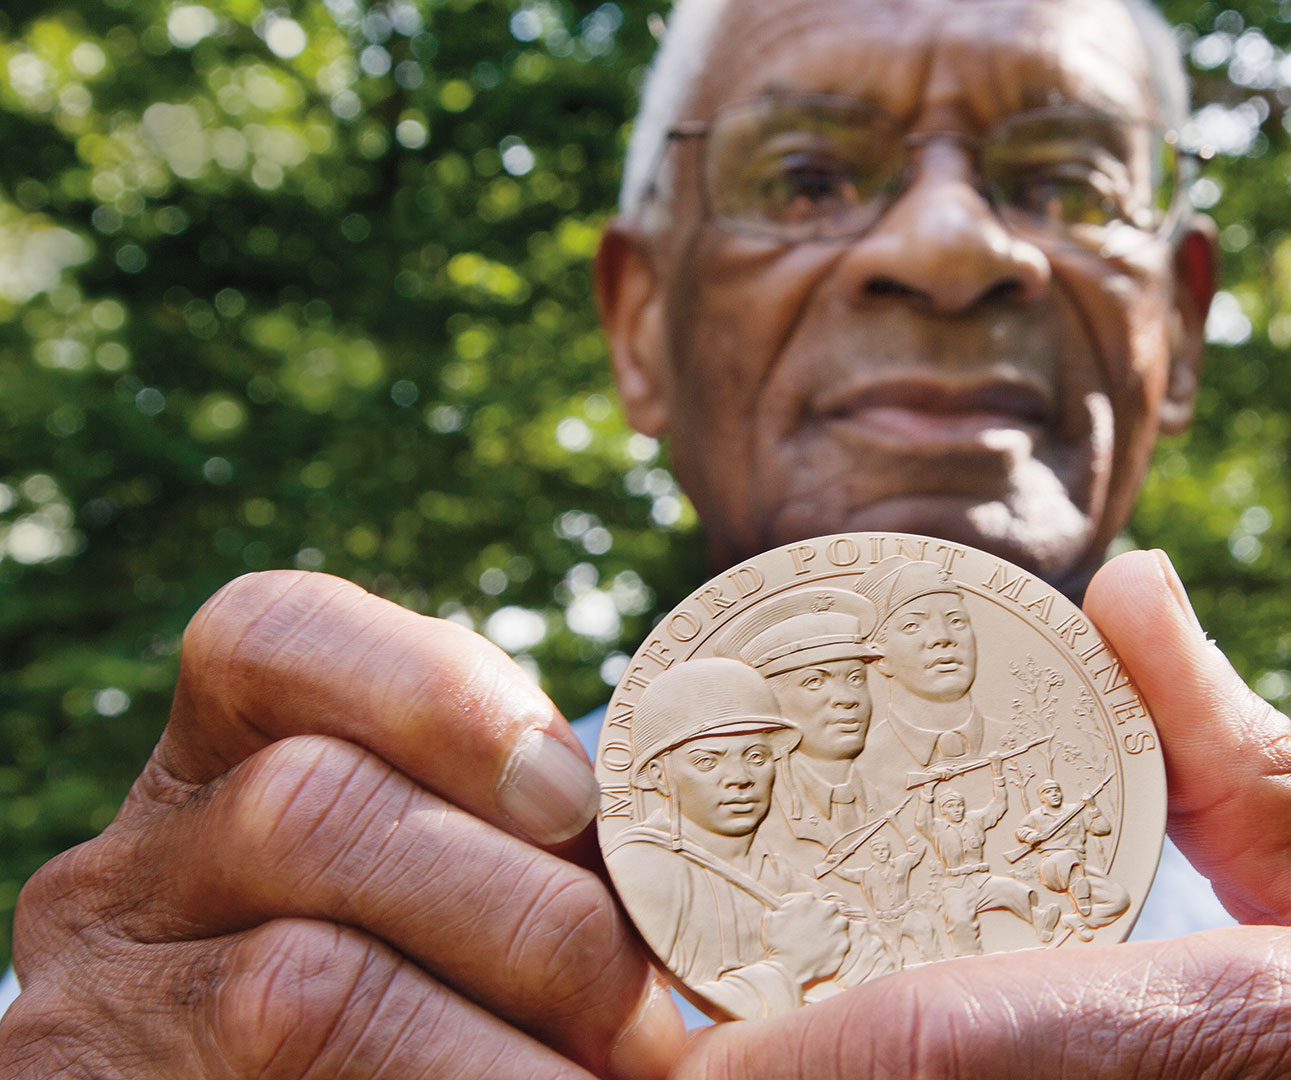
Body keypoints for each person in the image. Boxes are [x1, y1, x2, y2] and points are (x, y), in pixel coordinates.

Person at [7, 0, 1291, 1076]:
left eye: (1065, 179)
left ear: (1176, 331)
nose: (949, 248)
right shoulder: (270, 931)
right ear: (639, 325)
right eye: (805, 177)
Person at [602, 656, 852, 1019]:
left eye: (756, 756)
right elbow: (646, 1022)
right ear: (659, 776)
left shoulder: (785, 875)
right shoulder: (643, 867)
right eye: (707, 762)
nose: (740, 777)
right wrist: (788, 969)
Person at [1012, 777, 1130, 940]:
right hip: (1052, 866)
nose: (1054, 794)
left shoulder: (1075, 811)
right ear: (1041, 798)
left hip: (1079, 865)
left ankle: (1077, 920)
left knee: (1120, 900)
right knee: (1068, 855)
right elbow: (1020, 830)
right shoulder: (1036, 816)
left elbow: (1103, 829)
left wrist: (1093, 807)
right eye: (1048, 792)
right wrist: (1031, 835)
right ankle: (1080, 894)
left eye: (1056, 790)